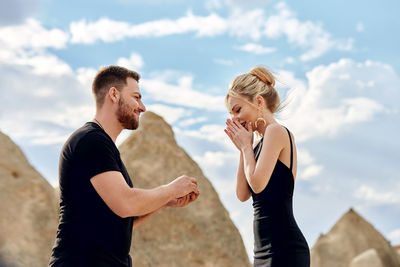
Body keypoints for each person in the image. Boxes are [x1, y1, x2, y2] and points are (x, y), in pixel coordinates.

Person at [49, 66, 200, 267]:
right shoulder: (91, 141)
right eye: (136, 97)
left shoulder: (103, 146)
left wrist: (165, 201)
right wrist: (172, 188)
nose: (142, 107)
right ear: (114, 94)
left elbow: (122, 218)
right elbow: (126, 204)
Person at [224, 66, 310, 267]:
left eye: (238, 110)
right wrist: (243, 149)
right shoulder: (254, 145)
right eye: (231, 113)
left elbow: (258, 184)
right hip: (262, 250)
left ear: (259, 102)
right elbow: (242, 194)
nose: (234, 118)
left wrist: (246, 147)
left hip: (285, 248)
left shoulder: (277, 132)